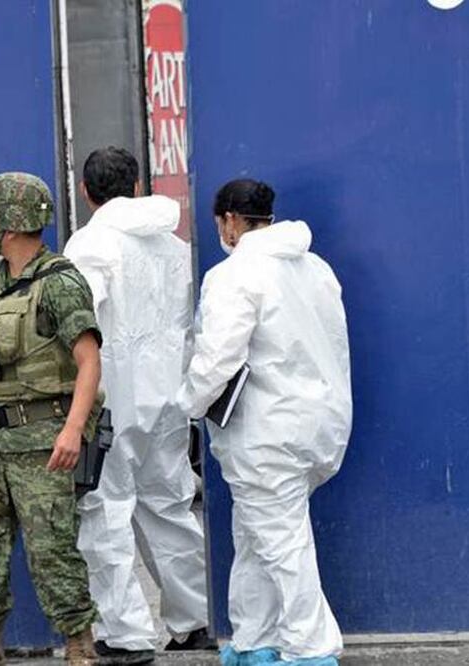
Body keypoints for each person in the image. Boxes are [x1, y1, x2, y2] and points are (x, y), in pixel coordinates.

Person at [176, 179, 352, 666]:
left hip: (266, 431)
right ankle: (255, 639)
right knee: (256, 534)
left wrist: (186, 404)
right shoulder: (316, 268)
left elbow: (217, 359)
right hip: (319, 424)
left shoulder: (235, 275)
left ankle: (312, 648)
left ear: (230, 221)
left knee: (280, 540)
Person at [63, 147, 214, 664]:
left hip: (112, 400)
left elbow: (82, 323)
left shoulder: (89, 245)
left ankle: (125, 633)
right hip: (168, 396)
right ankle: (195, 619)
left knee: (104, 510)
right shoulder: (174, 247)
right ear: (136, 184)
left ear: (86, 191)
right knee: (169, 505)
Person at [0, 172, 102, 666]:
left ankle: (80, 645)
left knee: (51, 549)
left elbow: (89, 361)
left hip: (42, 443)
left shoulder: (60, 283)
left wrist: (74, 429)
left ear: (9, 226)